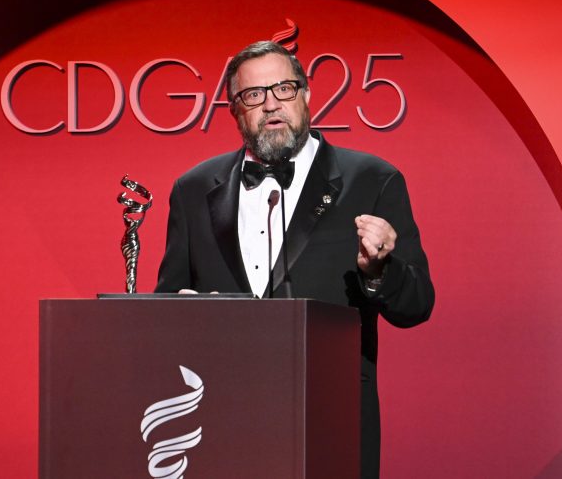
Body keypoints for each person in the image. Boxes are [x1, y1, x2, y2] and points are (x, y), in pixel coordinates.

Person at [154, 40, 434, 478]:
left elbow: (417, 305)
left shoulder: (372, 179)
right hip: (219, 424)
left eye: (283, 89)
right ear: (234, 110)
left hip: (331, 420)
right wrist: (182, 315)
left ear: (305, 95)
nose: (271, 105)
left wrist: (379, 271)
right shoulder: (192, 189)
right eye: (253, 95)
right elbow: (166, 305)